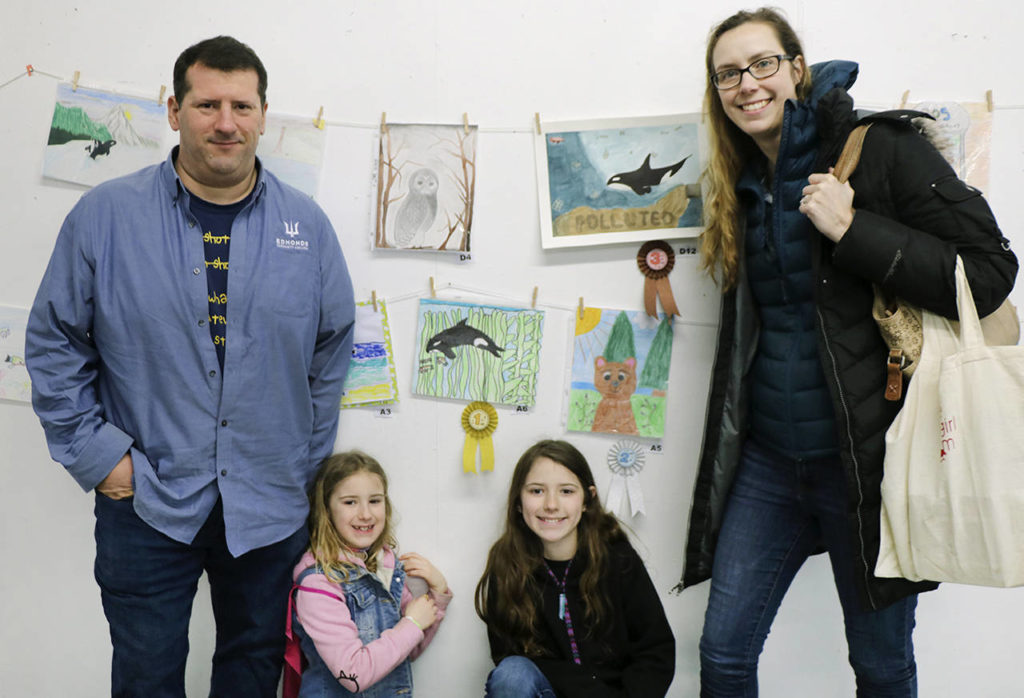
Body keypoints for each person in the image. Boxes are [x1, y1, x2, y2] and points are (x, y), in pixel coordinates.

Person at [678, 8, 1017, 697]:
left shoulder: (881, 149)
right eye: (728, 74)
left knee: (881, 667)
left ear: (797, 69)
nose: (747, 84)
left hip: (867, 466)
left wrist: (853, 228)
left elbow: (989, 272)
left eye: (762, 64)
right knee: (723, 654)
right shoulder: (740, 184)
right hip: (769, 463)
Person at [25, 36, 355, 697]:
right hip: (146, 502)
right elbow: (54, 341)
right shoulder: (104, 217)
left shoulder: (308, 228)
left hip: (268, 506)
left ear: (264, 113)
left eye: (241, 105)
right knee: (145, 679)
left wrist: (301, 466)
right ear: (174, 111)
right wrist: (100, 458)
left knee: (252, 670)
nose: (225, 122)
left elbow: (331, 350)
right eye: (207, 104)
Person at [475, 439, 675, 697]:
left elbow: (655, 650)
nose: (551, 505)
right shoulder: (506, 564)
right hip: (550, 692)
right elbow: (507, 654)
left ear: (587, 500)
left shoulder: (618, 559)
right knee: (512, 673)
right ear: (518, 501)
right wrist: (583, 687)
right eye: (536, 491)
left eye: (566, 491)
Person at [286, 451, 451, 697]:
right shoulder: (319, 583)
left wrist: (437, 594)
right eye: (350, 502)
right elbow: (352, 675)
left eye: (374, 501)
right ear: (327, 510)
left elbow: (408, 648)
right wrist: (412, 623)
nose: (365, 514)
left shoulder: (385, 567)